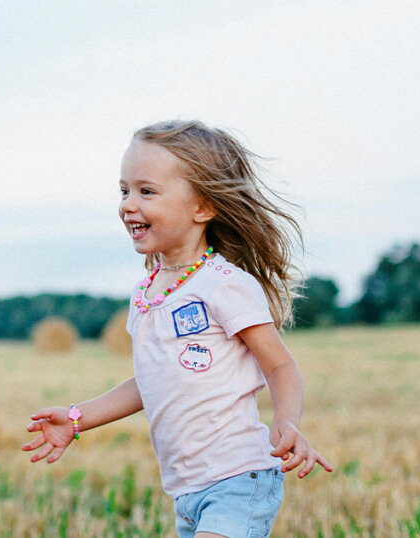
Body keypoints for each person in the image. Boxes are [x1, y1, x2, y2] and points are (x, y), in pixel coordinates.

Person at [22, 120, 332, 537]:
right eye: (124, 190)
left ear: (202, 207)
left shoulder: (225, 285)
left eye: (146, 191)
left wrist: (287, 422)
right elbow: (149, 380)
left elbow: (280, 367)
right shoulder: (146, 293)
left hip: (239, 479)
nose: (129, 204)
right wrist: (77, 418)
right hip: (187, 491)